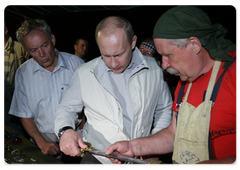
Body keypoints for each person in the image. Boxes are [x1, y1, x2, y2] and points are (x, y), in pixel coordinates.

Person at [105, 4, 237, 165]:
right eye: (162, 56)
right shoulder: (185, 80)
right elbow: (174, 134)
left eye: (168, 55)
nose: (165, 64)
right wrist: (134, 147)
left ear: (194, 44)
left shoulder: (233, 73)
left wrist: (223, 164)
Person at [54, 16, 173, 165]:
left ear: (133, 42)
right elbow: (66, 108)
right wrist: (65, 131)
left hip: (140, 160)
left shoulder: (155, 69)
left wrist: (153, 146)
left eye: (119, 54)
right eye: (106, 55)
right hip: (97, 159)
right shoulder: (83, 73)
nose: (113, 63)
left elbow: (164, 109)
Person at [8, 19, 84, 158]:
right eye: (34, 50)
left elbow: (89, 104)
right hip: (43, 141)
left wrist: (84, 130)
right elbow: (24, 113)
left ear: (53, 39)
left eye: (44, 45)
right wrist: (42, 142)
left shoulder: (77, 64)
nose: (42, 54)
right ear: (26, 51)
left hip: (76, 138)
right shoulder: (23, 73)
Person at [2, 20, 29, 137]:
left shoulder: (17, 47)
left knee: (10, 123)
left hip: (9, 94)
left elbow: (30, 65)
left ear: (5, 31)